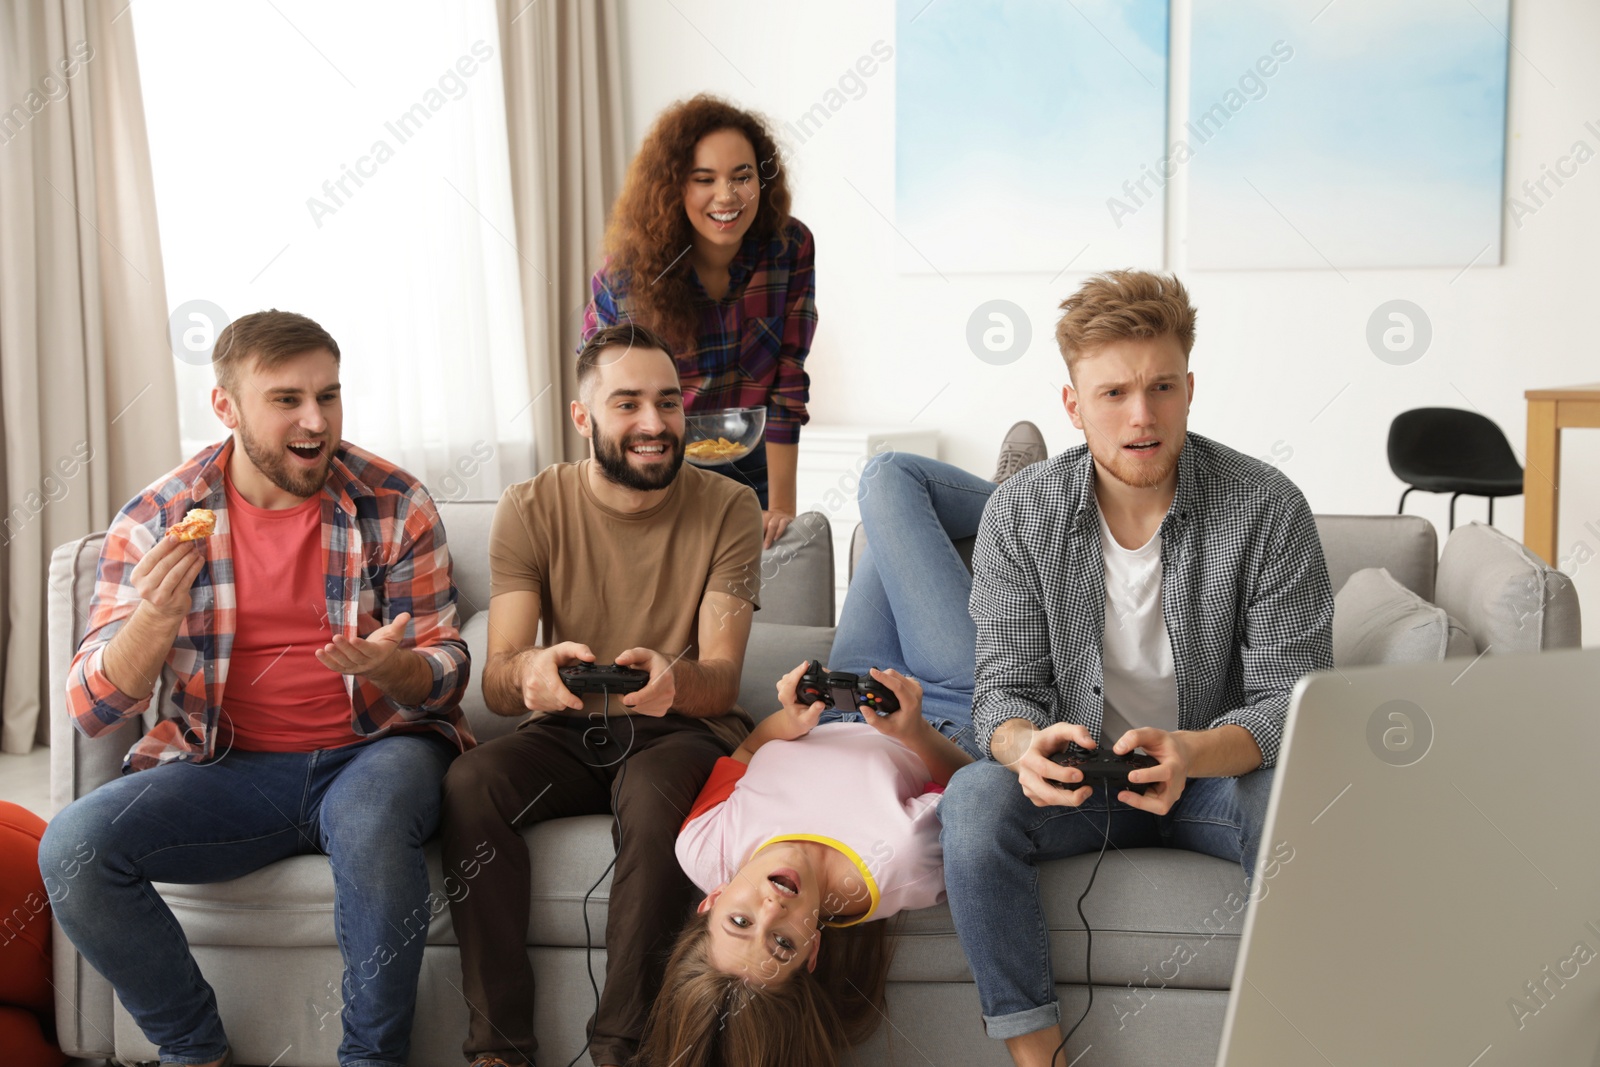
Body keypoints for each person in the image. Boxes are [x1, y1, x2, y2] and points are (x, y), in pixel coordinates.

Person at [39, 310, 473, 1067]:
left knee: (370, 820)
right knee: (72, 846)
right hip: (228, 769)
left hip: (374, 750)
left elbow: (444, 675)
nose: (316, 421)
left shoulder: (395, 502)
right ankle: (193, 1050)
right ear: (225, 407)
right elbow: (92, 707)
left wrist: (390, 668)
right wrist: (155, 617)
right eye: (286, 399)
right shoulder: (159, 517)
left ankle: (373, 1059)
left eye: (329, 396)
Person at [937, 270, 1336, 1066]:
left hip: (1209, 775)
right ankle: (1038, 1057)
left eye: (1160, 387)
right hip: (1083, 781)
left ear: (1190, 387)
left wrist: (1191, 751)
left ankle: (1300, 1041)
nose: (1141, 415)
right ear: (1073, 405)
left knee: (1301, 804)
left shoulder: (1267, 506)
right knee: (974, 800)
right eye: (1114, 392)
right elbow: (1003, 692)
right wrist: (1025, 747)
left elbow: (1294, 703)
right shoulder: (1020, 512)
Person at [441, 322, 763, 1067]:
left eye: (669, 403)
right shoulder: (530, 506)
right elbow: (497, 675)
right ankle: (500, 1049)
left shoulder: (729, 507)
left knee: (654, 798)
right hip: (568, 726)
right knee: (471, 782)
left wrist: (672, 679)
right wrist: (533, 672)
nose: (655, 424)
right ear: (583, 418)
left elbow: (722, 679)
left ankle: (623, 1049)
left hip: (680, 729)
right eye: (628, 404)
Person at [636, 659, 974, 1067]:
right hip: (937, 709)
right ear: (812, 949)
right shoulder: (901, 863)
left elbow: (746, 751)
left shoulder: (702, 844)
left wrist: (787, 721)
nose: (772, 911)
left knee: (872, 590)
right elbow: (973, 787)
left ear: (712, 900)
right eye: (782, 944)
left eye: (740, 923)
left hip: (839, 690)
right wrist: (914, 729)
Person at [583, 93, 816, 549]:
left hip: (755, 462)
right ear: (675, 187)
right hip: (656, 460)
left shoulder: (790, 247)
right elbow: (603, 401)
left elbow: (789, 378)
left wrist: (783, 507)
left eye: (742, 176)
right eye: (704, 179)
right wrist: (610, 512)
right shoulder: (625, 277)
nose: (727, 196)